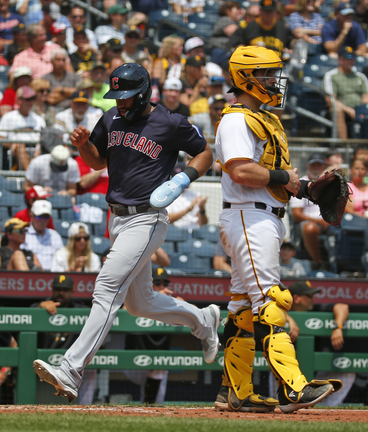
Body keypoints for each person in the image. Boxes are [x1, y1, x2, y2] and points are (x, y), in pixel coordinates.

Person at [33, 63, 220, 405]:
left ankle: (71, 370)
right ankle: (203, 320)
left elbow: (206, 152)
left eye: (127, 96)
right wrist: (83, 145)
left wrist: (183, 178)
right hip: (117, 219)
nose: (120, 102)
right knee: (140, 303)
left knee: (105, 288)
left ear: (145, 93)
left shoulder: (170, 121)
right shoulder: (111, 118)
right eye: (116, 96)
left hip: (147, 219)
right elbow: (97, 163)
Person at [214, 46, 339, 414]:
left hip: (260, 215)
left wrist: (303, 188)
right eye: (267, 74)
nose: (273, 81)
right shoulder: (237, 119)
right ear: (246, 78)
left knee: (241, 307)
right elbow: (240, 170)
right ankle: (293, 389)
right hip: (247, 217)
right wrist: (287, 178)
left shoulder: (263, 118)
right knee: (271, 300)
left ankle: (234, 391)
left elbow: (270, 174)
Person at [267, 281, 354, 407]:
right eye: (309, 296)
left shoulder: (316, 309)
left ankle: (324, 408)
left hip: (312, 371)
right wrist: (289, 319)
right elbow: (266, 308)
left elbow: (342, 307)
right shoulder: (278, 310)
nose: (313, 299)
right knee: (281, 398)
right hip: (285, 369)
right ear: (296, 298)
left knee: (348, 373)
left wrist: (337, 327)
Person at [31, 274, 98, 404]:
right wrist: (39, 309)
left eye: (65, 290)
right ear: (52, 290)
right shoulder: (41, 306)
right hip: (45, 364)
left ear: (73, 291)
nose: (60, 293)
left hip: (71, 364)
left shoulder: (81, 309)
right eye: (57, 289)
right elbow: (25, 317)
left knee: (92, 369)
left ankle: (85, 408)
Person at [122, 267, 182, 405]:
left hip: (158, 363)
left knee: (157, 402)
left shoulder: (171, 302)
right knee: (158, 369)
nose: (162, 287)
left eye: (165, 284)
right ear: (149, 283)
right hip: (133, 362)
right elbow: (124, 312)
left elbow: (195, 313)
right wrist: (154, 298)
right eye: (157, 283)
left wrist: (179, 304)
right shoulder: (138, 300)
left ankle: (148, 409)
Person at [289, 153, 331, 269]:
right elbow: (296, 214)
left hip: (329, 222)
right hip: (306, 223)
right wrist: (319, 221)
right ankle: (319, 263)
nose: (316, 168)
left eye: (319, 165)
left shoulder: (330, 184)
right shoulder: (300, 183)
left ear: (324, 167)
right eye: (313, 165)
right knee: (309, 228)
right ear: (308, 166)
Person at [323, 47, 368, 140]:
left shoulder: (361, 77)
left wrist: (362, 111)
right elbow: (331, 100)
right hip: (343, 110)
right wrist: (349, 110)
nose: (351, 60)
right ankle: (343, 147)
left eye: (353, 58)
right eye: (348, 57)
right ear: (340, 60)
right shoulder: (331, 75)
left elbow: (367, 98)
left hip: (359, 110)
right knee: (336, 110)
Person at [0, 86, 45, 171]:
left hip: (35, 151)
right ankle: (30, 176)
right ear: (19, 100)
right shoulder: (8, 117)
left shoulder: (39, 119)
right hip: (15, 152)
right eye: (27, 99)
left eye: (32, 99)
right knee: (20, 146)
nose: (30, 102)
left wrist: (39, 149)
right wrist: (13, 144)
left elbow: (43, 138)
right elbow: (1, 139)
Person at [21, 200, 64, 270]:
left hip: (53, 274)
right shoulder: (24, 234)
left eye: (46, 217)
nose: (42, 220)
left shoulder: (54, 235)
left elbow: (61, 258)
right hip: (31, 274)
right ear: (32, 215)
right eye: (39, 217)